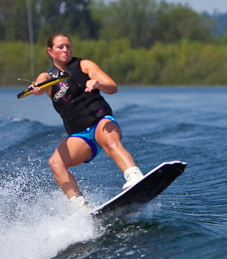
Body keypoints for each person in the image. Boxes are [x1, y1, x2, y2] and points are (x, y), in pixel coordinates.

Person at [28, 32, 144, 208]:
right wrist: (36, 88)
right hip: (80, 135)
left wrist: (98, 84)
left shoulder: (84, 65)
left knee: (110, 142)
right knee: (55, 163)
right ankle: (79, 205)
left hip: (100, 121)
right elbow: (40, 83)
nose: (65, 50)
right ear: (50, 51)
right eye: (60, 47)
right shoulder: (48, 77)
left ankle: (134, 176)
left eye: (68, 46)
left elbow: (112, 87)